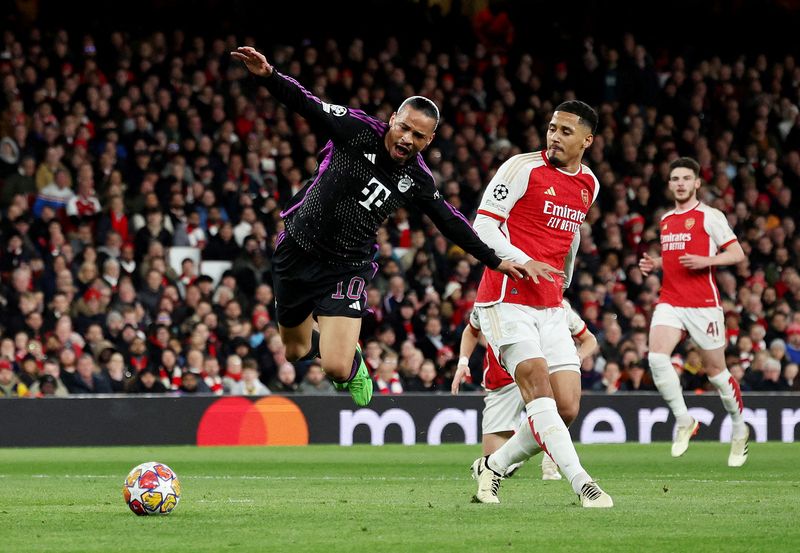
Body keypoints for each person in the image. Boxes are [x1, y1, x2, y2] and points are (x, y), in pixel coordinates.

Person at [230, 46, 526, 407]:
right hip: (298, 248)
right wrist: (269, 75)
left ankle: (352, 361)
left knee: (336, 368)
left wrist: (494, 260)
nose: (407, 139)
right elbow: (307, 103)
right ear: (392, 119)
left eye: (418, 136)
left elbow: (449, 220)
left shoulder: (417, 178)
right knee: (294, 351)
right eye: (404, 128)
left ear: (428, 140)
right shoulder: (356, 130)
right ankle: (333, 336)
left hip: (346, 264)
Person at [467, 100, 613, 507]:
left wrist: (565, 270)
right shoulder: (521, 167)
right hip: (504, 297)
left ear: (588, 140)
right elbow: (483, 226)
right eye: (552, 127)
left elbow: (572, 232)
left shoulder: (590, 184)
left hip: (549, 303)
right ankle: (583, 483)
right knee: (535, 382)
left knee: (566, 406)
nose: (554, 136)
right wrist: (521, 259)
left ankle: (493, 467)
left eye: (566, 132)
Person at [639, 157, 749, 466]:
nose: (681, 183)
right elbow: (674, 258)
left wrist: (707, 261)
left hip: (703, 305)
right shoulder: (665, 220)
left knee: (716, 373)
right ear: (670, 184)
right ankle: (684, 420)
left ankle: (740, 429)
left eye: (687, 178)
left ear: (697, 183)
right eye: (675, 179)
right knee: (657, 357)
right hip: (670, 300)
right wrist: (655, 264)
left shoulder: (709, 216)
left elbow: (737, 253)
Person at [452, 299, 597, 481]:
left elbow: (589, 339)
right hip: (502, 381)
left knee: (564, 409)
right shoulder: (492, 298)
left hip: (538, 376)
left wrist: (577, 357)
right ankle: (539, 443)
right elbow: (472, 330)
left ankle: (552, 457)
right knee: (493, 467)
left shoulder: (557, 304)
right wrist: (462, 362)